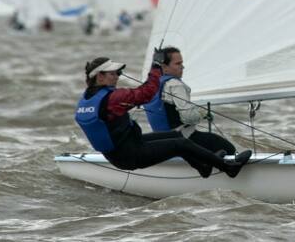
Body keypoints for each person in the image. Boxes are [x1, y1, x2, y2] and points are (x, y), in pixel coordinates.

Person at [74, 56, 251, 179]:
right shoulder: (113, 97)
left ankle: (203, 167)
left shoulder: (87, 98)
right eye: (113, 73)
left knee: (177, 137)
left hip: (122, 151)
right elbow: (147, 93)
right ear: (100, 76)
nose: (117, 76)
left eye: (118, 73)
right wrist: (156, 67)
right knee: (180, 144)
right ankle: (228, 167)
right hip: (130, 155)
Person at [143, 47, 237, 157]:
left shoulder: (150, 85)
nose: (182, 67)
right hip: (183, 138)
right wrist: (202, 114)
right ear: (165, 67)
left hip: (161, 140)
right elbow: (189, 117)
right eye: (178, 64)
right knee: (228, 148)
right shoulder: (175, 85)